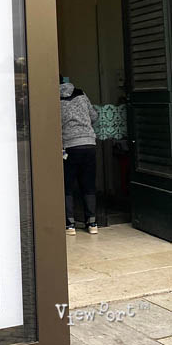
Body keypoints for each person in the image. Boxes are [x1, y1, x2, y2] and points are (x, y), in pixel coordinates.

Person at [60, 76, 98, 235]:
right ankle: (92, 223)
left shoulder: (55, 99)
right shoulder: (81, 93)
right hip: (89, 144)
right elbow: (94, 116)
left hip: (70, 146)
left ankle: (70, 224)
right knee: (88, 184)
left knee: (67, 186)